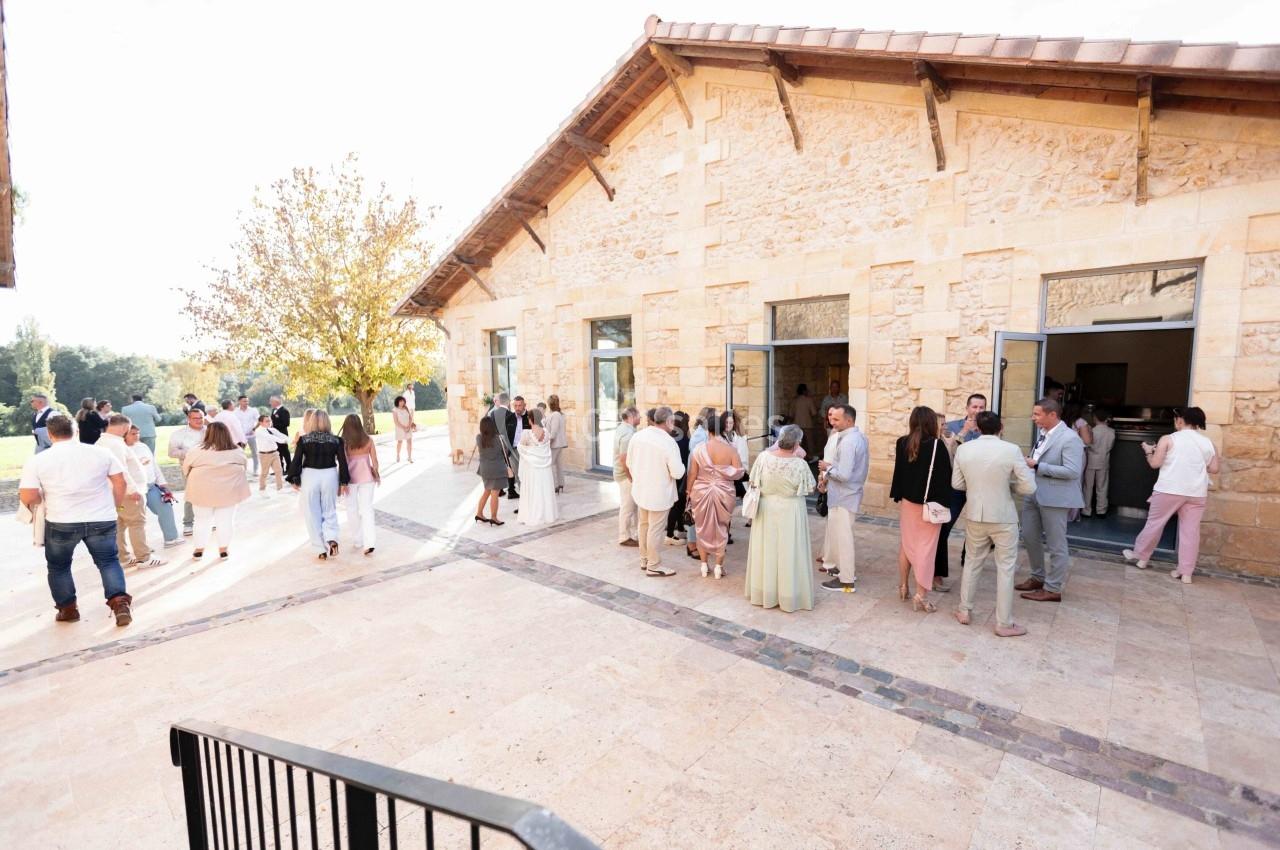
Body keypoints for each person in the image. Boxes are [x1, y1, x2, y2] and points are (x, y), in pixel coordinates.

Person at [18, 414, 133, 626]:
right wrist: (115, 505)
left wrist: (37, 503)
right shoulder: (101, 453)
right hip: (101, 517)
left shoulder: (38, 460)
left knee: (59, 567)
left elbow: (28, 494)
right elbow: (120, 482)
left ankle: (68, 609)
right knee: (108, 561)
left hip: (61, 519)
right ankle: (120, 602)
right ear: (76, 431)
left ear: (50, 435)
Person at [951, 412, 1037, 637]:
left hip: (976, 514)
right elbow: (1029, 487)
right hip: (1003, 515)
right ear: (1001, 427)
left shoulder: (964, 449)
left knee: (972, 562)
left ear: (977, 428)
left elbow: (957, 484)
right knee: (1006, 569)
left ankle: (964, 610)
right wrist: (1010, 488)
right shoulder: (1011, 450)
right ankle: (1004, 623)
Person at [1123, 407, 1220, 584]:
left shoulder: (1168, 439)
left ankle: (1140, 556)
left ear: (1181, 421)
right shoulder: (1209, 443)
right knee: (1190, 532)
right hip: (1196, 493)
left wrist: (1148, 450)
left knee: (1155, 524)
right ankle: (1186, 573)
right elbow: (1214, 468)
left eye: (1176, 418)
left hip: (1169, 489)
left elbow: (1155, 464)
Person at [1015, 398, 1085, 603]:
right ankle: (1038, 577)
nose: (1033, 418)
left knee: (1056, 544)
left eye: (1037, 414)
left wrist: (1037, 466)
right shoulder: (1043, 434)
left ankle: (1053, 588)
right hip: (1033, 493)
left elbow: (1072, 471)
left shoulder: (1070, 438)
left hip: (1055, 497)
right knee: (1028, 535)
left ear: (1052, 415)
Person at [746, 424, 817, 612]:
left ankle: (764, 592)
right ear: (797, 444)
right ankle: (789, 594)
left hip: (767, 508)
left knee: (766, 549)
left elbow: (753, 481)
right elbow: (810, 488)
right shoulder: (800, 464)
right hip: (790, 509)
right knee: (789, 550)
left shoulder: (762, 458)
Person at [890, 406, 952, 613]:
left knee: (907, 545)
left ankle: (903, 586)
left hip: (908, 503)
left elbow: (898, 472)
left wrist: (898, 494)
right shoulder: (937, 446)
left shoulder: (902, 442)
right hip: (929, 505)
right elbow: (944, 478)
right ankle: (921, 595)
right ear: (931, 423)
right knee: (926, 549)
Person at [99, 414, 166, 568]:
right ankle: (144, 557)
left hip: (112, 491)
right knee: (137, 523)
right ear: (124, 427)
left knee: (119, 525)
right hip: (126, 492)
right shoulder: (115, 444)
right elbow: (120, 470)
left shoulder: (101, 442)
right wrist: (132, 489)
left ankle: (123, 557)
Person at [935, 394, 988, 589]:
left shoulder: (989, 428)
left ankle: (968, 558)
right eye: (974, 407)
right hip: (956, 486)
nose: (978, 411)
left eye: (982, 407)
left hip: (979, 486)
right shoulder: (951, 427)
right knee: (945, 526)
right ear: (967, 408)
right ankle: (937, 571)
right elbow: (948, 456)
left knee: (977, 525)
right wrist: (965, 431)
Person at [626, 406, 686, 577]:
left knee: (643, 525)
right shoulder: (668, 442)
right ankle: (653, 565)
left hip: (641, 490)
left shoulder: (637, 436)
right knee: (655, 529)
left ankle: (644, 559)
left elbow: (629, 463)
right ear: (668, 421)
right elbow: (678, 472)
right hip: (659, 494)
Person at [687, 411, 744, 578]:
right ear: (723, 430)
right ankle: (719, 567)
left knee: (702, 527)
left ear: (708, 430)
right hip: (724, 492)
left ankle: (704, 566)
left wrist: (688, 491)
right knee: (722, 527)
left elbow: (692, 474)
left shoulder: (699, 449)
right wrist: (723, 472)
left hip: (701, 491)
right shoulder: (731, 449)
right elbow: (739, 472)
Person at [818, 405, 869, 592]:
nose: (833, 422)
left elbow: (845, 474)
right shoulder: (858, 437)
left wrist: (827, 468)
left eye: (837, 419)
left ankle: (846, 580)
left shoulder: (848, 441)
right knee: (840, 537)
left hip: (844, 496)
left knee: (844, 538)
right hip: (847, 494)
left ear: (849, 420)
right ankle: (841, 570)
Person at [182, 421, 250, 559]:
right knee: (225, 520)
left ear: (208, 433)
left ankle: (199, 549)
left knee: (201, 520)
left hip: (202, 491)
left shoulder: (196, 450)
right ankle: (223, 550)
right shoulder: (237, 450)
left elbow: (185, 469)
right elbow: (244, 466)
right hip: (229, 491)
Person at [288, 411, 350, 560]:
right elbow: (342, 462)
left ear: (311, 422)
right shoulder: (337, 440)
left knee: (312, 512)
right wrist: (343, 481)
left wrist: (294, 478)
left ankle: (320, 549)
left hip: (310, 475)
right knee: (330, 509)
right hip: (329, 474)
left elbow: (296, 460)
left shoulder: (304, 440)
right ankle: (332, 538)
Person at [126, 424, 183, 549]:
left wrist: (163, 483)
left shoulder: (143, 446)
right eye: (133, 434)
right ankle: (142, 549)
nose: (137, 436)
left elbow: (154, 466)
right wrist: (140, 464)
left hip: (151, 486)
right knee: (138, 520)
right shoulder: (121, 449)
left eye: (138, 433)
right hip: (133, 490)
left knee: (166, 507)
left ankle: (171, 538)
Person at [340, 414, 381, 555]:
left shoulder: (344, 443)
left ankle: (358, 539)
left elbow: (343, 463)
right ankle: (370, 543)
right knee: (367, 509)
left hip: (350, 479)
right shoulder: (368, 440)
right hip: (367, 478)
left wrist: (341, 482)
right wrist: (377, 473)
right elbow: (375, 461)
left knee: (352, 509)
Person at [167, 407, 208, 536]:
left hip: (209, 468)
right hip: (190, 468)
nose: (199, 420)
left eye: (201, 417)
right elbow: (172, 453)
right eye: (195, 418)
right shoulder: (179, 434)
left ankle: (207, 520)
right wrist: (191, 453)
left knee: (210, 493)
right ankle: (188, 523)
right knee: (192, 495)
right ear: (188, 419)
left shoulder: (210, 431)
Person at [516, 408, 558, 526]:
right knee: (544, 490)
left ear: (530, 420)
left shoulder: (527, 434)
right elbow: (546, 446)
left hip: (532, 469)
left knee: (533, 490)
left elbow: (520, 448)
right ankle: (547, 515)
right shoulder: (546, 433)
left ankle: (532, 514)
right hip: (544, 468)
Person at [684, 407, 714, 560]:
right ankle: (691, 544)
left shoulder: (704, 433)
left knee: (700, 515)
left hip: (703, 479)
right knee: (693, 513)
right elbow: (696, 460)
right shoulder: (700, 435)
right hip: (696, 478)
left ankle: (699, 543)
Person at [613, 406, 641, 547]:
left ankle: (636, 533)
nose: (640, 418)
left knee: (633, 506)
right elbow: (623, 458)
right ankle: (624, 536)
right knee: (628, 506)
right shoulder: (628, 434)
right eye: (638, 416)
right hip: (625, 476)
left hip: (624, 475)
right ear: (631, 417)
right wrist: (630, 476)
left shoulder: (623, 428)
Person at [475, 416, 510, 526]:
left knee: (486, 491)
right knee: (495, 493)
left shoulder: (479, 438)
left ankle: (479, 513)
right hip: (497, 469)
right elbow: (506, 452)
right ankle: (494, 517)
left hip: (485, 469)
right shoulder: (500, 438)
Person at [1082, 409, 1116, 517]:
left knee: (1088, 486)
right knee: (1102, 486)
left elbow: (1087, 445)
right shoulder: (1112, 432)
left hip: (1091, 461)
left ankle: (1086, 510)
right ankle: (1101, 510)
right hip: (1104, 461)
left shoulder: (1091, 431)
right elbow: (1110, 446)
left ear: (1095, 418)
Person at [665, 410, 691, 545]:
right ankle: (669, 534)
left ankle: (680, 529)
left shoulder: (671, 437)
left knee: (677, 505)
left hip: (672, 474)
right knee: (678, 505)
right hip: (681, 474)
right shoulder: (684, 439)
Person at [489, 393, 519, 498]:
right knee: (510, 468)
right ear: (508, 401)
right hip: (506, 446)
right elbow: (511, 434)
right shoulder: (510, 415)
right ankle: (511, 490)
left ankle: (500, 489)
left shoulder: (492, 413)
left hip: (495, 444)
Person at [254, 415, 290, 494]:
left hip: (274, 453)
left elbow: (280, 435)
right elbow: (271, 437)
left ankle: (280, 489)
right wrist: (283, 441)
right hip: (265, 455)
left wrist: (290, 440)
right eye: (267, 421)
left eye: (270, 420)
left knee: (279, 471)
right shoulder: (259, 431)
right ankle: (262, 490)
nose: (269, 422)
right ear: (261, 422)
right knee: (264, 473)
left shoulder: (271, 429)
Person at [545, 395, 568, 494]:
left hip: (555, 444)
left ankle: (554, 486)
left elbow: (553, 432)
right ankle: (560, 484)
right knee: (558, 464)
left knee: (550, 465)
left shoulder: (555, 415)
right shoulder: (560, 414)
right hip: (559, 443)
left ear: (550, 404)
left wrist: (548, 442)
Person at [234, 396, 262, 475]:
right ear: (239, 402)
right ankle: (241, 470)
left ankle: (256, 470)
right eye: (244, 401)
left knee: (255, 453)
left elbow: (260, 421)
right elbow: (234, 423)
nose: (246, 403)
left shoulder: (253, 410)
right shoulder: (235, 412)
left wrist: (254, 429)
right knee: (240, 453)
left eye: (247, 401)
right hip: (240, 436)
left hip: (251, 436)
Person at [791, 384, 820, 456]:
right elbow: (814, 413)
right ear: (804, 391)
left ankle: (797, 456)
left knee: (798, 442)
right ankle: (811, 456)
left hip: (797, 425)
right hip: (807, 424)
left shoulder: (794, 401)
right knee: (810, 443)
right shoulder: (809, 400)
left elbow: (791, 414)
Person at [270, 396, 292, 470]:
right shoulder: (273, 410)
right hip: (275, 435)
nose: (270, 403)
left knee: (285, 451)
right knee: (278, 451)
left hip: (282, 434)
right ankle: (280, 468)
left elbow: (286, 423)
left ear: (277, 402)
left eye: (271, 401)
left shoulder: (284, 410)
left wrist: (274, 426)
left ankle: (289, 468)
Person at [392, 395, 416, 463]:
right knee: (400, 442)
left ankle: (409, 457)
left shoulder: (406, 408)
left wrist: (408, 426)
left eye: (403, 401)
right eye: (401, 401)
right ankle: (398, 455)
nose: (402, 402)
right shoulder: (395, 410)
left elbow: (410, 418)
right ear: (397, 402)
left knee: (409, 442)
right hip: (400, 428)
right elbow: (396, 422)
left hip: (408, 427)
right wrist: (404, 427)